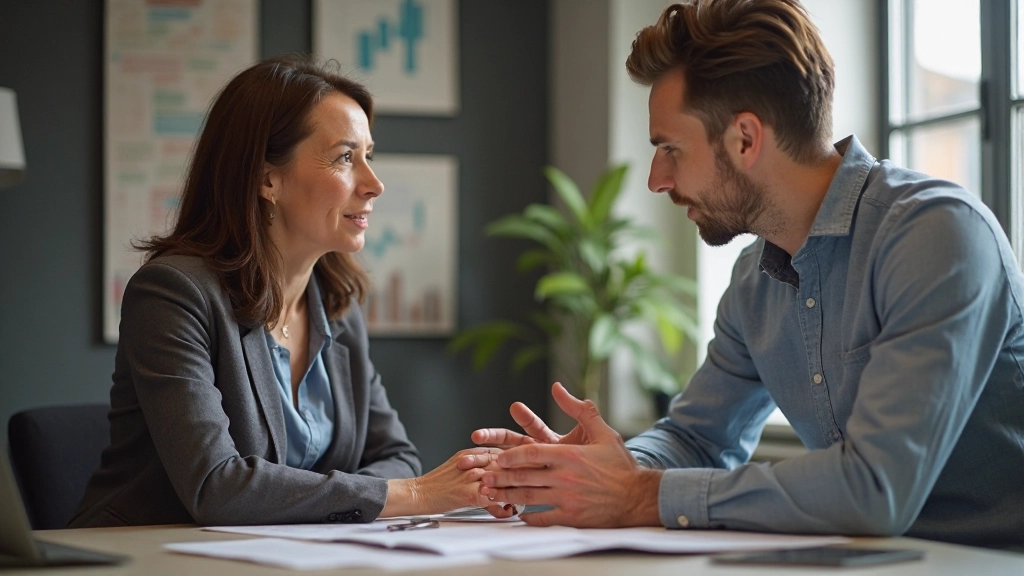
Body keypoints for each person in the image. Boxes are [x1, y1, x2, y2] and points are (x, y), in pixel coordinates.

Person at [466, 0, 1024, 550]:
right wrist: (598, 468)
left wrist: (640, 494)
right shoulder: (753, 279)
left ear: (746, 139)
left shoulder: (936, 234)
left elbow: (873, 490)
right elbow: (696, 438)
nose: (657, 179)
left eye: (669, 149)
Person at [70, 55, 508, 527]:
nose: (374, 184)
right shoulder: (173, 294)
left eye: (369, 156)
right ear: (266, 178)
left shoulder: (337, 308)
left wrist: (398, 489)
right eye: (345, 157)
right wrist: (418, 494)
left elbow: (396, 454)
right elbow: (217, 487)